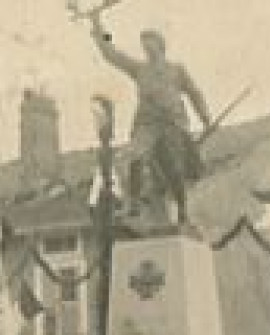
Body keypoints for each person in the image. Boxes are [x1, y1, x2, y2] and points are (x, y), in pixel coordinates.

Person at [89, 12, 214, 225]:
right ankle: (134, 203)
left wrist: (205, 117)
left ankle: (183, 209)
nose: (145, 44)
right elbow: (112, 53)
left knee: (174, 169)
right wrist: (98, 25)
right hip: (147, 124)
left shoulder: (176, 69)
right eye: (143, 41)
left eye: (149, 40)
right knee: (134, 156)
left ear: (160, 43)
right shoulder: (139, 68)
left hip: (172, 124)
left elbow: (195, 93)